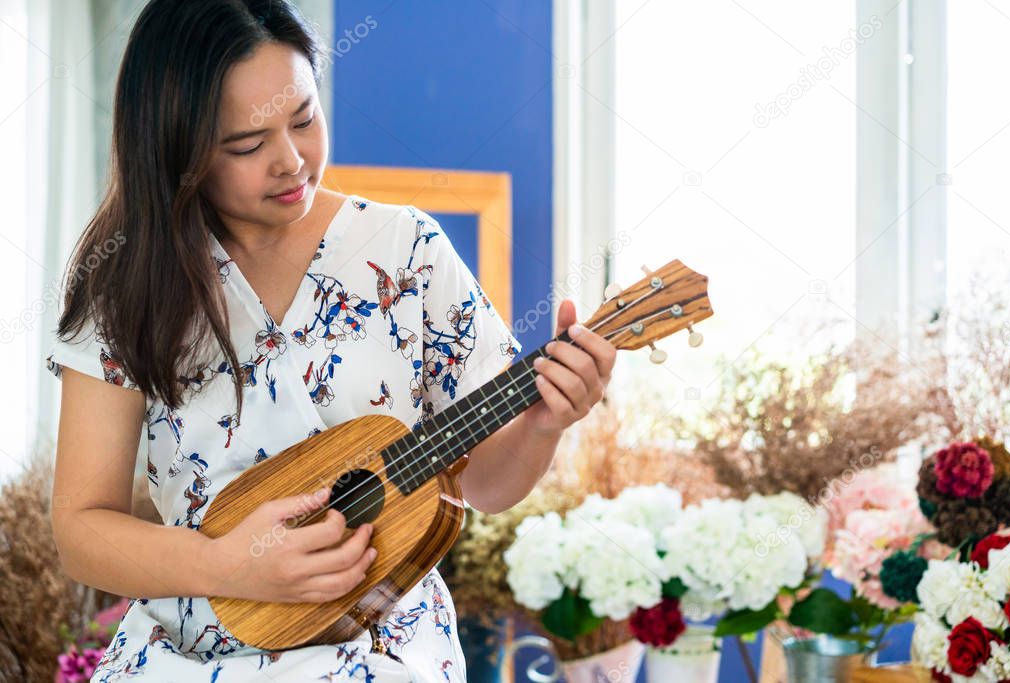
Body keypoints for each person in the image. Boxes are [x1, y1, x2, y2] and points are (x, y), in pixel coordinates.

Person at [45, 1, 617, 681]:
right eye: (247, 145)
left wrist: (542, 426)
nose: (290, 161)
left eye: (305, 119)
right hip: (186, 651)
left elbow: (485, 486)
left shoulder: (406, 251)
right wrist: (227, 565)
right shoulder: (126, 280)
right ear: (175, 148)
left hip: (379, 648)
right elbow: (82, 529)